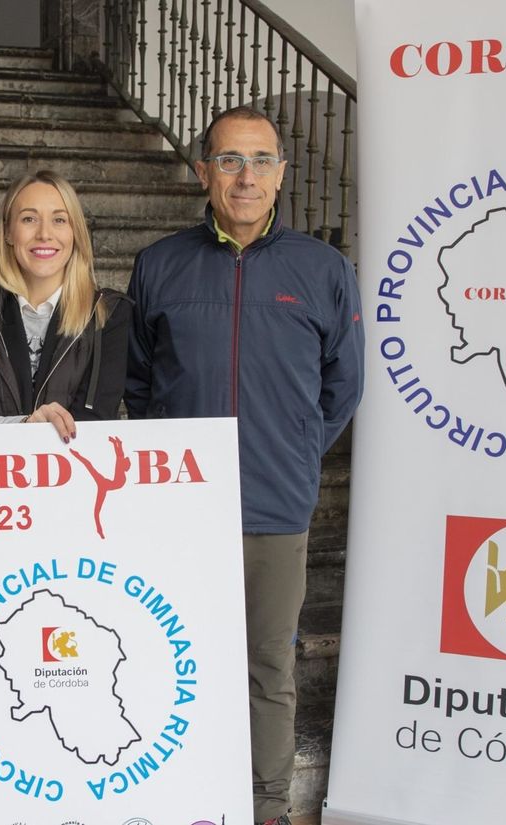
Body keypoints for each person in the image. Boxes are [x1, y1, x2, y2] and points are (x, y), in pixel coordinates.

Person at [124, 105, 364, 825]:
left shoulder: (323, 269)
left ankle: (266, 809)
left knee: (269, 670)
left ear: (282, 172)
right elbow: (137, 382)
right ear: (205, 171)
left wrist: (292, 449)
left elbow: (343, 384)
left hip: (274, 508)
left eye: (261, 160)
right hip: (180, 511)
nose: (246, 175)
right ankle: (181, 797)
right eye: (230, 159)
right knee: (174, 661)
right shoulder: (160, 264)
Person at [0, 170, 132, 441]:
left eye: (59, 220)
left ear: (75, 232)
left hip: (76, 478)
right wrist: (24, 424)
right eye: (29, 219)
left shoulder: (109, 314)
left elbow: (98, 418)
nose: (45, 234)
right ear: (9, 231)